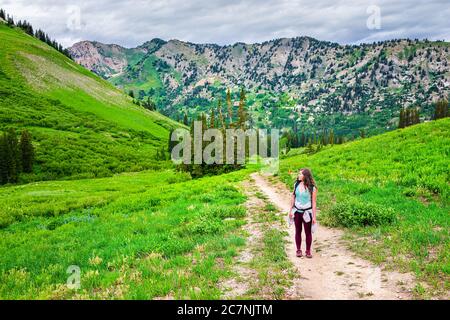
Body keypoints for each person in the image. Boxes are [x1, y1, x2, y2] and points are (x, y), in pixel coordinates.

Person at [289, 168, 317, 258]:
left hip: (307, 213)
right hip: (297, 212)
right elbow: (293, 197)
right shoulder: (296, 184)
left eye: (300, 174)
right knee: (298, 231)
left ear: (305, 176)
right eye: (299, 174)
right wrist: (290, 210)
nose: (298, 175)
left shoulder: (312, 188)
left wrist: (314, 217)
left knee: (308, 232)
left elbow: (314, 202)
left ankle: (308, 251)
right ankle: (298, 250)